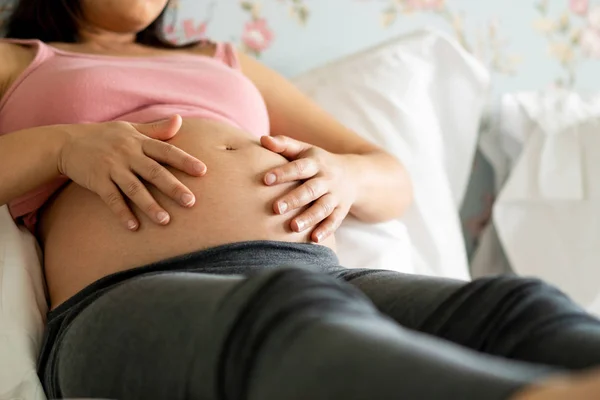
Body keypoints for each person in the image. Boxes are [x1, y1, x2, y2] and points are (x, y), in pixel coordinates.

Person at [1, 0, 600, 399]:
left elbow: (390, 175)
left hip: (319, 273)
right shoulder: (15, 60)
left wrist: (344, 176)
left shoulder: (223, 62)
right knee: (284, 322)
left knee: (514, 308)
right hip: (125, 298)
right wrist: (64, 148)